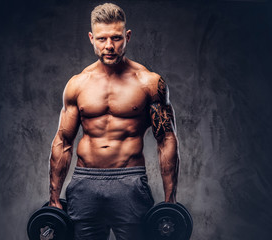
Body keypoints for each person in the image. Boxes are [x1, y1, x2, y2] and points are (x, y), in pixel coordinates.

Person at [48, 3, 179, 240]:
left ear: (127, 36)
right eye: (102, 39)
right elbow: (63, 140)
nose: (109, 46)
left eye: (116, 38)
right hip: (84, 183)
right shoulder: (78, 84)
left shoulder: (148, 83)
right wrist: (54, 197)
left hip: (129, 183)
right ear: (91, 38)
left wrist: (170, 200)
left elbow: (166, 139)